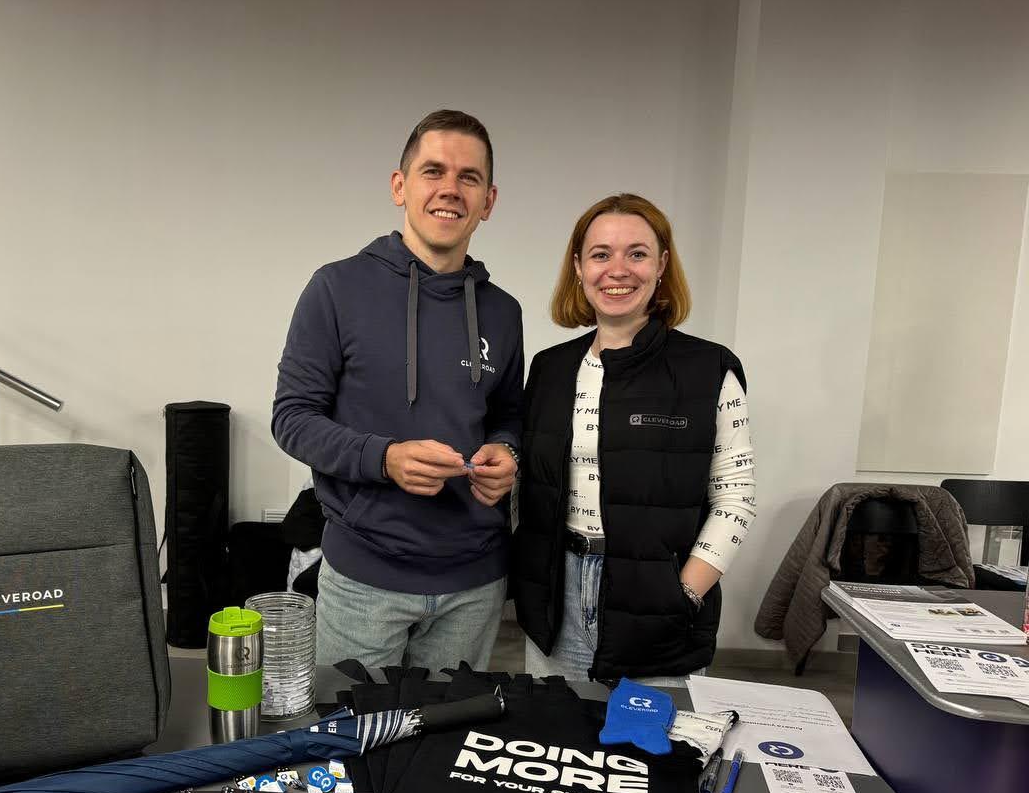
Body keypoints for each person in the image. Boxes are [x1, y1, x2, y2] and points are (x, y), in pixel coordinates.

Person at [272, 110, 524, 674]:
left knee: (448, 729)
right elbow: (292, 418)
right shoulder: (336, 288)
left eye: (469, 177)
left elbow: (509, 414)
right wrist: (384, 459)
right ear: (399, 186)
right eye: (433, 171)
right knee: (349, 728)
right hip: (364, 581)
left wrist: (508, 450)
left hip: (476, 585)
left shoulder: (503, 311)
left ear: (488, 201)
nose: (450, 189)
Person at [511, 194, 755, 684]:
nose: (617, 270)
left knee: (652, 736)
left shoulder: (708, 368)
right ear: (578, 267)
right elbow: (528, 486)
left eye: (637, 254)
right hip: (555, 601)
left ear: (661, 266)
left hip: (658, 612)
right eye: (600, 254)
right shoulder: (549, 368)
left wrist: (684, 593)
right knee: (559, 729)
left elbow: (736, 497)